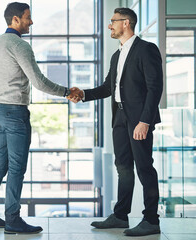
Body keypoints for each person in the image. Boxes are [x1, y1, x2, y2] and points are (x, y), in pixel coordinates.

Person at [0, 2, 78, 234]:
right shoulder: (19, 45)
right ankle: (12, 219)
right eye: (27, 17)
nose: (31, 22)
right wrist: (66, 92)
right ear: (15, 20)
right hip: (14, 112)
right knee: (16, 168)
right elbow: (39, 81)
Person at [69, 8, 163, 237]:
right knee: (123, 168)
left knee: (144, 168)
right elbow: (107, 88)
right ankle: (121, 216)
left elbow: (155, 88)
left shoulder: (146, 49)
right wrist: (83, 94)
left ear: (126, 23)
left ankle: (151, 220)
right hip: (119, 117)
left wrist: (145, 122)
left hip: (139, 119)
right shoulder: (117, 55)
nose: (110, 25)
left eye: (113, 21)